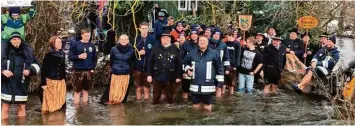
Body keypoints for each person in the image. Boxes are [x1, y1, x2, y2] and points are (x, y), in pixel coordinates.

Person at [1, 32, 41, 119]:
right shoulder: (4, 52)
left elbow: (38, 65)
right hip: (6, 84)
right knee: (5, 107)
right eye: (14, 39)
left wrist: (30, 70)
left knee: (22, 107)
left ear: (21, 41)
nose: (16, 41)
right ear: (10, 41)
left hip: (22, 84)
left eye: (18, 39)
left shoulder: (27, 53)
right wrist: (3, 71)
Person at [184, 36, 224, 111]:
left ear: (208, 42)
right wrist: (187, 70)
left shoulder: (214, 54)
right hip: (195, 85)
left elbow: (220, 68)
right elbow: (185, 63)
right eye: (201, 41)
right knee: (195, 106)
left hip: (208, 86)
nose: (202, 42)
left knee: (208, 107)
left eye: (204, 41)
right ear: (198, 42)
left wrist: (220, 83)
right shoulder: (191, 53)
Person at [147, 29, 182, 104]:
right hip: (157, 76)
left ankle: (170, 113)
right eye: (164, 37)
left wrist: (178, 76)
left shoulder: (176, 49)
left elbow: (179, 63)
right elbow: (150, 61)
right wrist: (149, 74)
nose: (166, 39)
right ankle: (155, 112)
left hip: (170, 77)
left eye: (167, 37)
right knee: (156, 97)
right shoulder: (155, 48)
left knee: (170, 98)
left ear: (170, 39)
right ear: (161, 39)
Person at [101, 34, 135, 104]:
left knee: (124, 90)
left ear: (128, 41)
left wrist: (129, 70)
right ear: (119, 40)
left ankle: (121, 101)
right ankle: (110, 101)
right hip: (115, 73)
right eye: (122, 39)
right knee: (112, 89)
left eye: (125, 39)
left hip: (126, 73)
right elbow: (111, 61)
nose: (124, 41)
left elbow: (132, 62)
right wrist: (114, 68)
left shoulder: (132, 51)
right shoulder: (113, 49)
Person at [69, 28, 98, 104]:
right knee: (77, 91)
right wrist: (78, 56)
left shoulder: (92, 45)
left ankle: (85, 108)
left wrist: (93, 68)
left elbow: (95, 58)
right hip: (78, 70)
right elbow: (70, 57)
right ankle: (77, 108)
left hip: (88, 71)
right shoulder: (76, 45)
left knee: (86, 90)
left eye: (88, 36)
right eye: (85, 36)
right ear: (82, 35)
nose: (87, 38)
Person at [40, 36, 67, 113]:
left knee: (61, 104)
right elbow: (44, 70)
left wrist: (64, 80)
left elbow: (63, 68)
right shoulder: (48, 55)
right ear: (53, 44)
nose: (60, 44)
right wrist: (43, 83)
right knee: (50, 105)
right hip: (51, 82)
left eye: (61, 42)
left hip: (61, 82)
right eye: (58, 42)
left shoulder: (63, 54)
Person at [133, 22, 158, 100]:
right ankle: (138, 104)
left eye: (145, 29)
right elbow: (131, 52)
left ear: (148, 29)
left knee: (146, 87)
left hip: (148, 67)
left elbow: (155, 52)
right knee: (138, 87)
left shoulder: (152, 39)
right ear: (139, 29)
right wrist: (138, 53)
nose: (144, 30)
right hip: (137, 67)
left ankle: (146, 105)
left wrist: (146, 52)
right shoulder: (136, 39)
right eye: (142, 29)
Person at [209, 28, 230, 97]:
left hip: (219, 67)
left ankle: (218, 101)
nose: (216, 36)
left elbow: (226, 57)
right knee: (209, 84)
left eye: (218, 34)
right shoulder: (207, 42)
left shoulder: (223, 44)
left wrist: (227, 68)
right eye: (215, 34)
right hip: (209, 66)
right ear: (212, 34)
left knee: (219, 85)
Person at [180, 28, 199, 100]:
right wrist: (183, 71)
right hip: (187, 68)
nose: (193, 35)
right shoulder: (186, 44)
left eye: (195, 34)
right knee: (185, 89)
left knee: (196, 89)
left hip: (198, 69)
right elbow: (181, 58)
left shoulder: (201, 43)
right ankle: (184, 104)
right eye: (192, 34)